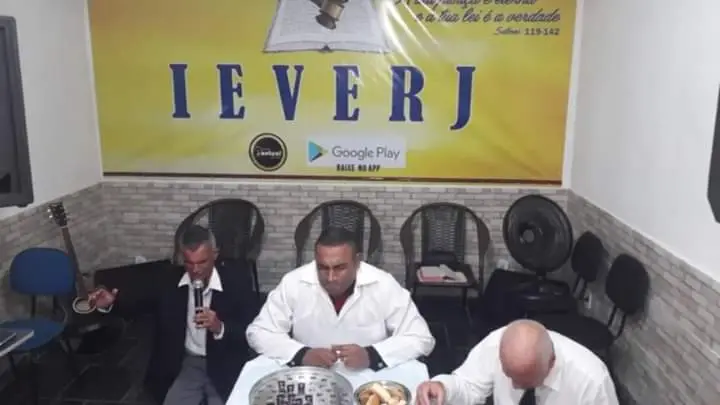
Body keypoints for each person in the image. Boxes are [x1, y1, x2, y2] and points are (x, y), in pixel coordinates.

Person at [90, 225, 256, 405]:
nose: (195, 270)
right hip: (188, 361)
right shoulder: (168, 281)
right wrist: (110, 303)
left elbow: (250, 330)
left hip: (223, 363)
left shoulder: (237, 282)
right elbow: (138, 304)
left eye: (202, 262)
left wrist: (220, 327)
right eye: (189, 263)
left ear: (215, 254)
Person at [246, 226, 435, 371]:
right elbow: (259, 331)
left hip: (370, 378)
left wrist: (372, 355)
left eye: (339, 268)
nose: (330, 278)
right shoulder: (294, 282)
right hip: (310, 375)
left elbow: (421, 337)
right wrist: (301, 354)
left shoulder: (383, 284)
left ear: (357, 261)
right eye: (322, 267)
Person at [416, 320, 619, 405]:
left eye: (525, 382)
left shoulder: (592, 381)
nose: (513, 386)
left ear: (551, 362)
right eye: (509, 375)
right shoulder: (499, 342)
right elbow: (469, 385)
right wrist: (443, 387)